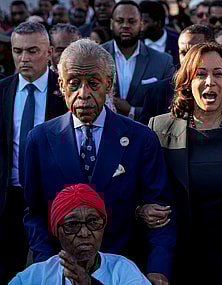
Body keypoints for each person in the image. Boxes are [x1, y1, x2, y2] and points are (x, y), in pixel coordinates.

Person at [23, 38, 177, 285]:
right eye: (74, 84)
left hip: (126, 270)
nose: (83, 94)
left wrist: (158, 270)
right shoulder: (40, 140)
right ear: (61, 85)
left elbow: (160, 214)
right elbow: (35, 213)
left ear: (108, 84)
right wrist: (49, 266)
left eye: (93, 83)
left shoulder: (140, 138)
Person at [147, 42, 222, 284]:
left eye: (218, 74)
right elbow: (148, 192)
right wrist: (141, 210)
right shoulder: (159, 128)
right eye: (200, 74)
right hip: (183, 263)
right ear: (187, 82)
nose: (210, 82)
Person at [0, 22, 68, 283]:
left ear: (49, 51)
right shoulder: (3, 90)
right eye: (18, 51)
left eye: (32, 51)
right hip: (9, 198)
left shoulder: (63, 92)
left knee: (51, 269)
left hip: (52, 196)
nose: (24, 58)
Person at [10, 184, 151, 284]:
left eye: (93, 222)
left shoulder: (122, 270)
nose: (84, 233)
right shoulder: (37, 276)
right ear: (57, 231)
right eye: (72, 225)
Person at [139, 24, 222, 125]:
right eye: (183, 52)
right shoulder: (157, 92)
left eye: (194, 52)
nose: (187, 59)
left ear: (212, 49)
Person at [102, 1, 175, 120]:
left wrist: (132, 110)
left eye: (132, 21)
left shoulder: (163, 61)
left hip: (145, 133)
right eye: (120, 21)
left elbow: (169, 107)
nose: (125, 25)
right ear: (111, 24)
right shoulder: (96, 56)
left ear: (141, 24)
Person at [140, 1, 180, 67]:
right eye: (138, 21)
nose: (140, 26)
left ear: (158, 22)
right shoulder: (134, 43)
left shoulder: (178, 42)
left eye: (145, 22)